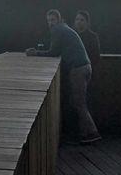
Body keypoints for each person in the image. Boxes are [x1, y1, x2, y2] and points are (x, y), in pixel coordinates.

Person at [25, 9, 101, 144]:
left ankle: (92, 133)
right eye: (48, 21)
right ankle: (85, 134)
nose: (50, 23)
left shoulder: (58, 30)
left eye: (52, 20)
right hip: (85, 67)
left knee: (79, 103)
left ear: (59, 20)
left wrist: (35, 53)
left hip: (78, 69)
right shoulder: (65, 29)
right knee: (78, 102)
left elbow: (53, 52)